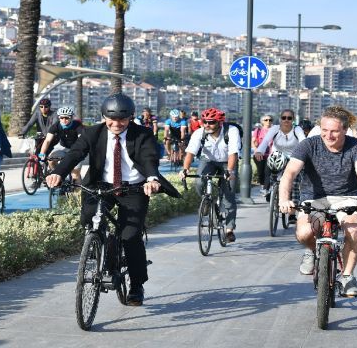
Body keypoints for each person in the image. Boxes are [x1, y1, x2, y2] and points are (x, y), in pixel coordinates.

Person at [45, 93, 180, 306]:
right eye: (112, 119)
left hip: (134, 188)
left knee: (130, 236)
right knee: (89, 217)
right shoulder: (92, 133)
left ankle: (136, 286)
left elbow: (149, 158)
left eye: (122, 119)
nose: (116, 124)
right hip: (101, 185)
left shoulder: (142, 134)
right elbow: (75, 154)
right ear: (103, 116)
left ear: (131, 117)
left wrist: (152, 179)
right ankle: (99, 245)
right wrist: (59, 173)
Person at [278, 105, 357, 298]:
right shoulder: (308, 144)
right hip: (314, 198)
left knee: (354, 230)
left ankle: (347, 276)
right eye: (324, 130)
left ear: (345, 130)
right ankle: (314, 251)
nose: (328, 136)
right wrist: (284, 199)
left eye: (334, 131)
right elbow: (289, 173)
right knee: (304, 233)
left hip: (348, 197)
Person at [179, 107, 240, 242]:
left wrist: (229, 171)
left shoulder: (231, 131)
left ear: (220, 122)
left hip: (227, 162)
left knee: (228, 197)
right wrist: (185, 169)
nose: (207, 125)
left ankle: (229, 230)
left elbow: (233, 153)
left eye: (211, 122)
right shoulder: (200, 133)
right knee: (200, 182)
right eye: (204, 121)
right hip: (208, 161)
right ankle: (206, 201)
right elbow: (190, 152)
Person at [254, 109, 306, 214]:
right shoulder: (275, 129)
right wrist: (259, 151)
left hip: (293, 157)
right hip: (277, 156)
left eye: (289, 118)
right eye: (283, 118)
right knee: (272, 171)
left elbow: (303, 142)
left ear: (293, 120)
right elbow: (265, 141)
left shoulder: (297, 129)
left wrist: (305, 156)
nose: (286, 120)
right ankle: (272, 190)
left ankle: (292, 211)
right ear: (280, 119)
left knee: (294, 183)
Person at [39, 106, 85, 183]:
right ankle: (60, 176)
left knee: (75, 174)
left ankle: (78, 193)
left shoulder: (77, 125)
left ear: (71, 118)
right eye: (61, 118)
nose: (64, 120)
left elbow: (82, 139)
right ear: (59, 118)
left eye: (67, 118)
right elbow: (47, 140)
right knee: (51, 160)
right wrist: (42, 153)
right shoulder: (56, 126)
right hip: (63, 147)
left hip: (76, 149)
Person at [252, 114, 273, 187]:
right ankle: (262, 185)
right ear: (262, 122)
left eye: (270, 120)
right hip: (259, 155)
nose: (268, 121)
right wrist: (256, 150)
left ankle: (267, 188)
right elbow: (253, 141)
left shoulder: (275, 131)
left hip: (270, 155)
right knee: (261, 172)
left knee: (267, 172)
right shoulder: (258, 130)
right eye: (266, 120)